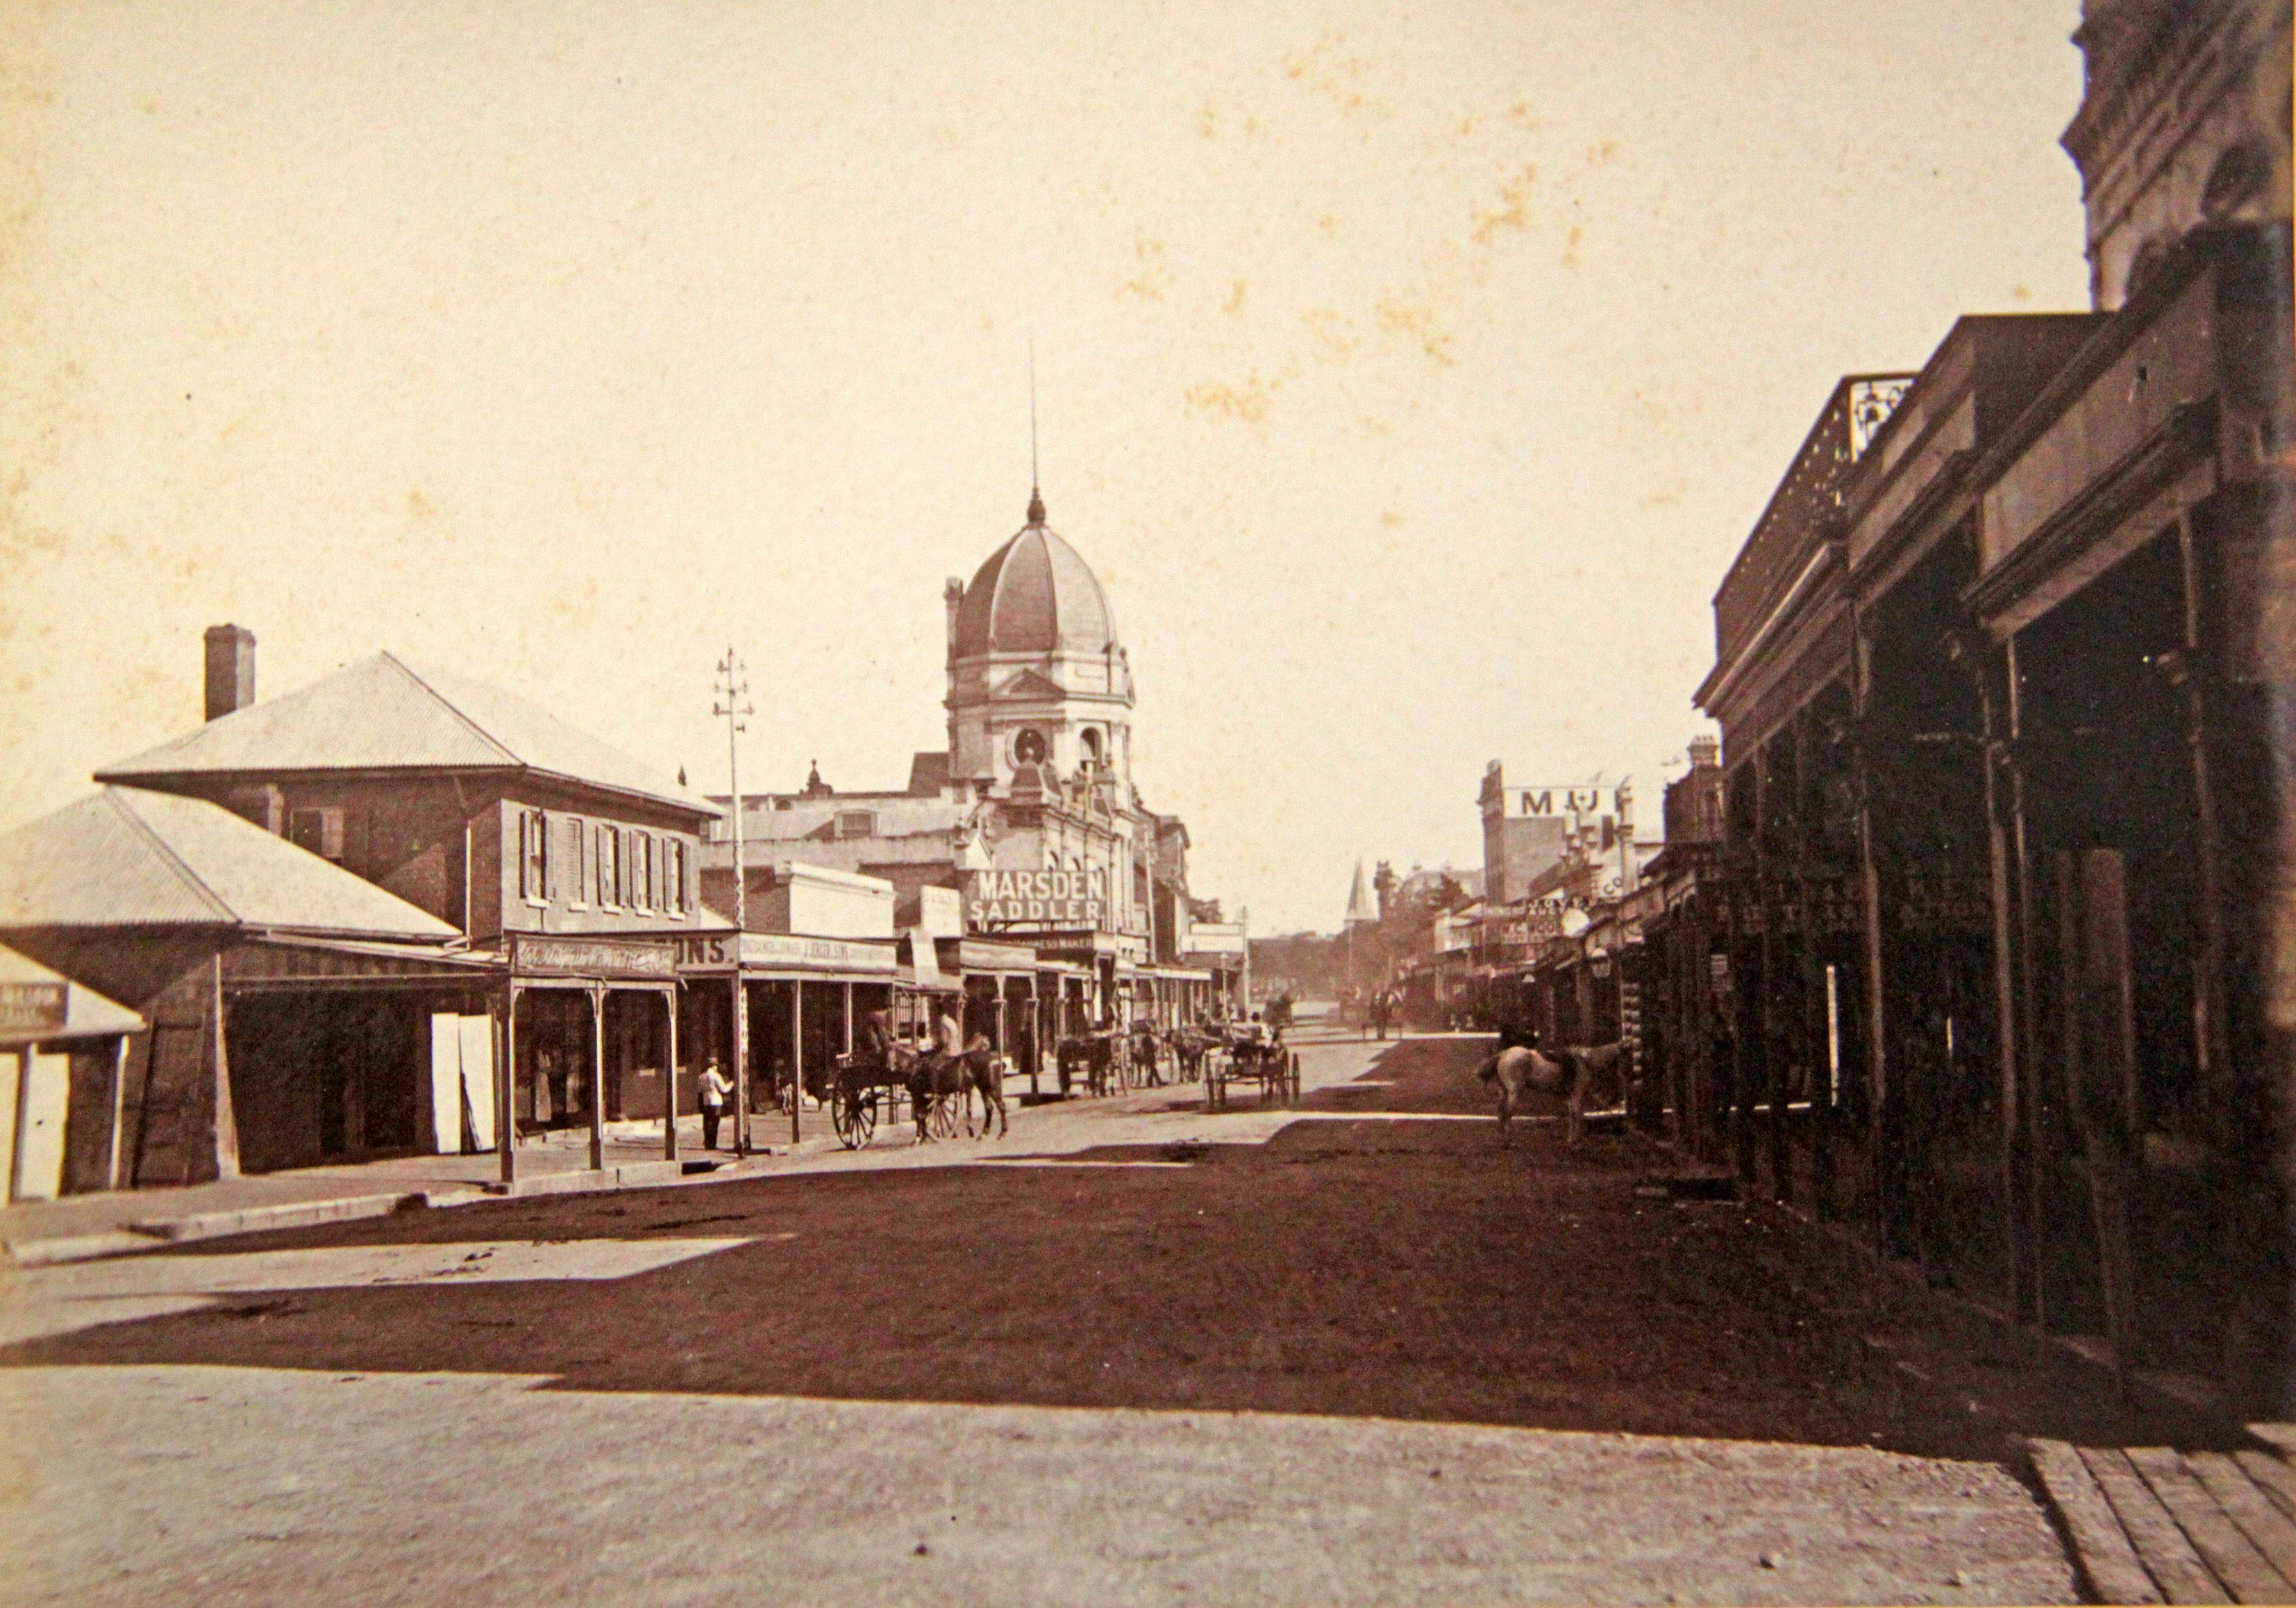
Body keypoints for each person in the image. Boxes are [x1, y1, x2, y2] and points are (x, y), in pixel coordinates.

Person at [697, 1057, 733, 1150]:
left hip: (706, 1101)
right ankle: (712, 1144)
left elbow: (700, 1091)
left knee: (707, 1123)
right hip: (716, 1101)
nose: (717, 1067)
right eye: (716, 1066)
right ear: (714, 1066)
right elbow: (724, 1089)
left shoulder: (701, 1077)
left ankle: (707, 1143)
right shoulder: (716, 1076)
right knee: (715, 1123)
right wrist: (731, 1084)